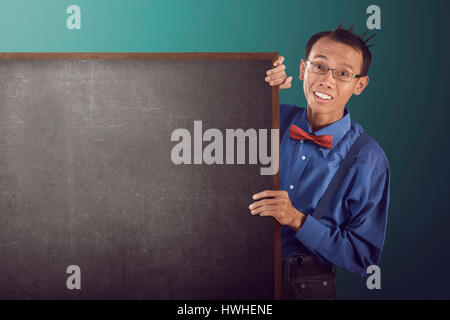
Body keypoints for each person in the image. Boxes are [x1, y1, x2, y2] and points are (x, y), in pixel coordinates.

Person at [248, 24, 390, 300]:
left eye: (343, 74)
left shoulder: (369, 159)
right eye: (319, 67)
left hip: (307, 287)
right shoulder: (268, 118)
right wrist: (254, 83)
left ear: (359, 84)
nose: (326, 81)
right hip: (238, 273)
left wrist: (298, 220)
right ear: (303, 69)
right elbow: (205, 120)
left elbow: (362, 257)